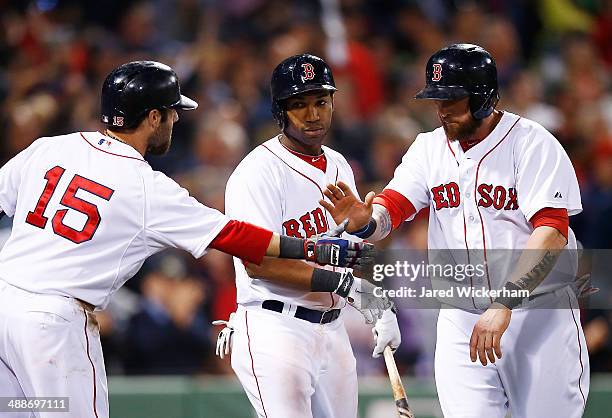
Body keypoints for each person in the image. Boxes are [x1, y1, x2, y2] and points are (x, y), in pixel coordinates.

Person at [0, 60, 372, 418]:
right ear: (153, 117)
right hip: (54, 325)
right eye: (172, 111)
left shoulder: (49, 148)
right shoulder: (146, 187)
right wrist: (311, 248)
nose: (176, 119)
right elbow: (235, 237)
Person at [321, 44, 589, 418]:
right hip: (461, 315)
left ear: (482, 97)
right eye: (436, 99)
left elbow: (552, 233)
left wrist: (504, 303)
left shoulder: (532, 143)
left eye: (452, 99)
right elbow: (392, 210)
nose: (442, 109)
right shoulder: (428, 148)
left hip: (535, 312)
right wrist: (365, 220)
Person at [217, 54, 400, 418]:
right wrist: (348, 288)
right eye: (299, 104)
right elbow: (258, 262)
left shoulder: (338, 164)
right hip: (275, 325)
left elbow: (352, 252)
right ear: (280, 111)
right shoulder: (256, 172)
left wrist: (377, 299)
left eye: (321, 101)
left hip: (331, 330)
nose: (312, 114)